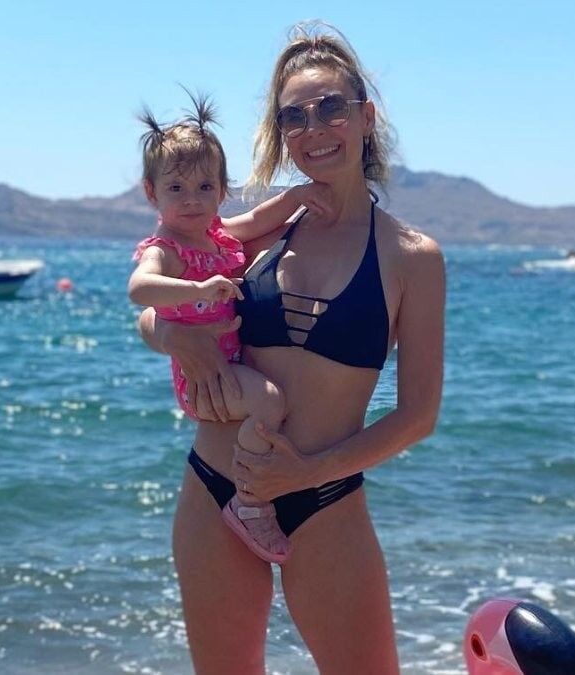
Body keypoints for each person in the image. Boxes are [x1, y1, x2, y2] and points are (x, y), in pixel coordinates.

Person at [137, 22, 445, 674]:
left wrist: (304, 473)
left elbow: (418, 416)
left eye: (331, 107)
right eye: (294, 115)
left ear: (365, 117)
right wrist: (176, 338)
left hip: (324, 498)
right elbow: (156, 308)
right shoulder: (254, 234)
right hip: (215, 486)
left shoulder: (412, 256)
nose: (314, 127)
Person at [128, 93, 334, 563]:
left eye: (204, 186)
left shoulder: (216, 236)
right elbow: (140, 289)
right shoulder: (167, 250)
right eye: (176, 188)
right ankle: (250, 501)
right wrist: (196, 289)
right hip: (204, 380)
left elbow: (258, 220)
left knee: (268, 400)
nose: (192, 199)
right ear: (151, 192)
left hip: (228, 365)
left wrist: (297, 197)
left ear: (222, 190)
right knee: (270, 401)